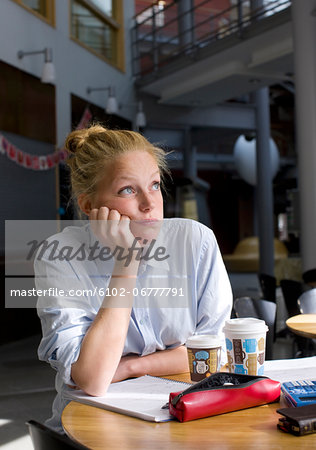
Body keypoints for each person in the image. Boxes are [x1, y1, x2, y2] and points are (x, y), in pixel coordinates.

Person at [35, 125, 232, 432]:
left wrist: (130, 367)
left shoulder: (196, 241)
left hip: (178, 415)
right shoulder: (60, 255)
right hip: (89, 429)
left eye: (154, 185)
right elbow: (94, 378)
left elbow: (211, 354)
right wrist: (125, 264)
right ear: (89, 205)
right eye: (128, 189)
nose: (149, 202)